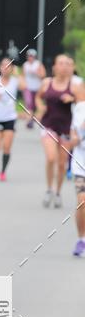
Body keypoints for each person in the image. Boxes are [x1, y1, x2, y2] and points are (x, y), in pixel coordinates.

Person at [36, 54, 82, 208]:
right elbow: (38, 97)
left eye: (66, 64)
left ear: (71, 67)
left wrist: (73, 99)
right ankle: (49, 188)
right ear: (54, 67)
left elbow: (82, 106)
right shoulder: (46, 83)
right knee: (51, 158)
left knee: (62, 164)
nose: (63, 67)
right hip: (48, 125)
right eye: (60, 63)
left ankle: (57, 192)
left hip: (66, 128)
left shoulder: (75, 86)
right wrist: (40, 106)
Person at [69, 93, 85, 256]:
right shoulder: (80, 108)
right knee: (82, 201)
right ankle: (82, 239)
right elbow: (74, 134)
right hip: (81, 165)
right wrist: (76, 136)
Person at [20, 49, 44, 128]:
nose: (30, 58)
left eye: (32, 56)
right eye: (29, 56)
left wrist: (37, 73)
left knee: (35, 105)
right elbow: (22, 76)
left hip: (37, 87)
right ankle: (29, 121)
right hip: (28, 88)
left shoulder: (38, 64)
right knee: (29, 104)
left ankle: (33, 118)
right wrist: (23, 85)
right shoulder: (25, 65)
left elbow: (43, 75)